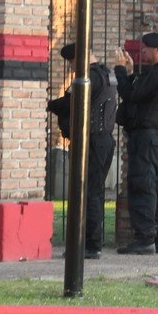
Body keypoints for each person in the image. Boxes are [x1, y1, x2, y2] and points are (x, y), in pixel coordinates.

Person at [114, 31, 158, 255]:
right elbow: (144, 94)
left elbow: (131, 94)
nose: (144, 52)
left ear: (156, 50)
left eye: (146, 49)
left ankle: (145, 238)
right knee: (157, 185)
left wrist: (120, 71)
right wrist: (133, 72)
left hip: (146, 138)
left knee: (142, 185)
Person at [47, 42, 118, 258]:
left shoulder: (89, 78)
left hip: (92, 141)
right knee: (93, 192)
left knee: (87, 194)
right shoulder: (108, 74)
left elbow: (72, 103)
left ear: (79, 58)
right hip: (105, 140)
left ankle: (89, 245)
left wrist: (49, 104)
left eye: (71, 63)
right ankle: (90, 243)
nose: (72, 68)